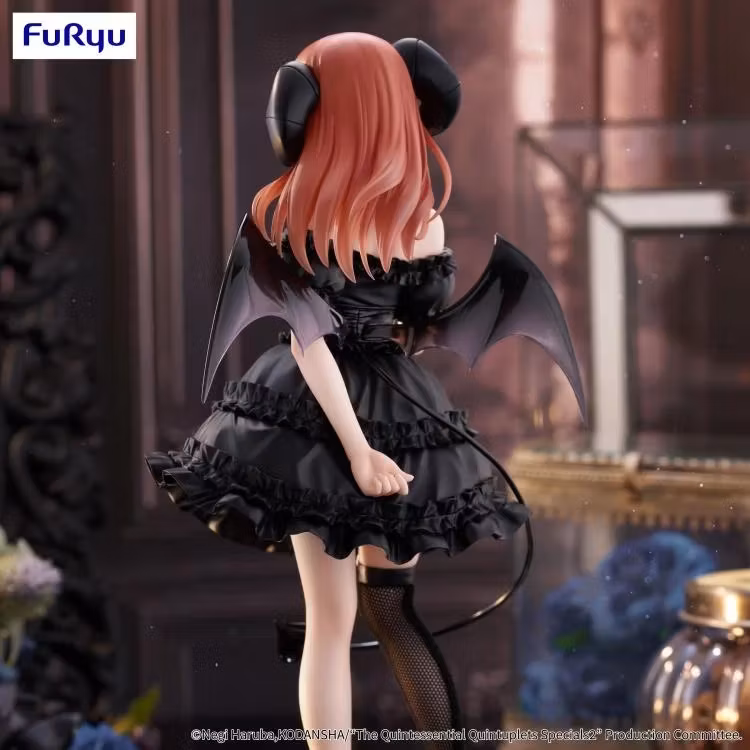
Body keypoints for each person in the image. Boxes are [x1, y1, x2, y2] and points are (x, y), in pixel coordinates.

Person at [146, 31, 583, 750]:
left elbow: (331, 338)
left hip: (342, 412)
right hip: (353, 411)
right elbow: (318, 340)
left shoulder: (307, 214)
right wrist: (359, 450)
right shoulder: (400, 221)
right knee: (369, 614)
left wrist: (362, 442)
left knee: (356, 616)